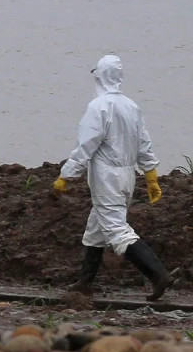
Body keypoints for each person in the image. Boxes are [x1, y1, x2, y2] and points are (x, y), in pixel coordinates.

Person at [54, 55, 173, 300]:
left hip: (106, 177)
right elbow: (143, 141)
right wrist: (150, 175)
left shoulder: (98, 107)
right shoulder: (131, 106)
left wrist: (66, 175)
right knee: (96, 228)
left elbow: (86, 145)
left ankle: (158, 274)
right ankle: (84, 283)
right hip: (127, 176)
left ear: (99, 76)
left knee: (117, 231)